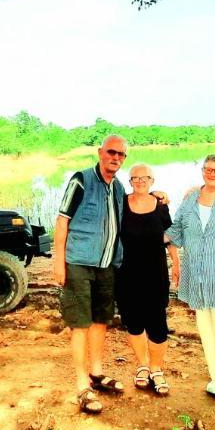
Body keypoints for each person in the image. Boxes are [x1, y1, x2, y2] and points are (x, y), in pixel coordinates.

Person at [52, 135, 129, 414]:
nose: (116, 158)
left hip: (106, 265)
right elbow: (62, 221)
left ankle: (96, 374)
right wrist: (59, 262)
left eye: (121, 155)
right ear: (100, 152)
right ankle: (81, 384)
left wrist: (158, 196)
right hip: (78, 264)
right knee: (80, 324)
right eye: (111, 152)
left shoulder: (118, 188)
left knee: (100, 321)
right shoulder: (81, 180)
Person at [167, 154, 215, 405]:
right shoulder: (191, 198)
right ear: (202, 171)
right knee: (206, 330)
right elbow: (175, 230)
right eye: (208, 169)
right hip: (197, 276)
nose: (213, 173)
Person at [116, 163, 179, 396]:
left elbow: (169, 237)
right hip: (127, 272)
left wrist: (176, 263)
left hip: (155, 272)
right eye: (135, 178)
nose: (140, 181)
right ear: (129, 181)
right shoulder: (120, 203)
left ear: (152, 180)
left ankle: (156, 369)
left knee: (157, 323)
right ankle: (142, 365)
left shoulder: (160, 205)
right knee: (134, 322)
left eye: (145, 178)